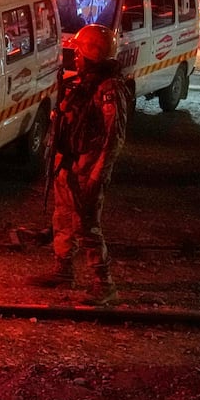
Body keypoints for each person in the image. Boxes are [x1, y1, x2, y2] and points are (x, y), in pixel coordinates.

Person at [32, 24, 132, 306]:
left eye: (80, 50)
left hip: (89, 167)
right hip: (71, 163)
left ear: (93, 53)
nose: (75, 55)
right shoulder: (84, 82)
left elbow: (114, 137)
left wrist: (97, 174)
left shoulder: (109, 88)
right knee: (63, 218)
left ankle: (104, 284)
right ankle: (63, 270)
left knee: (86, 224)